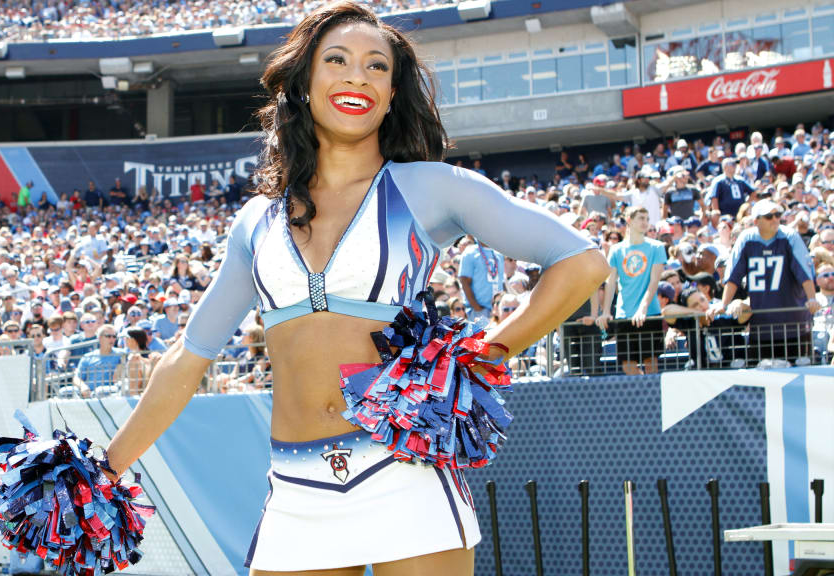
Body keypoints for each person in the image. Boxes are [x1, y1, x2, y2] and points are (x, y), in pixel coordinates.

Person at [105, 4, 608, 574]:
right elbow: (186, 356)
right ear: (304, 82)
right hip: (295, 487)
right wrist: (105, 468)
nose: (356, 77)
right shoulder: (256, 222)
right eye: (337, 60)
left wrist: (478, 359)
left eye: (376, 67)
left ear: (392, 93)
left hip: (406, 473)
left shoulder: (430, 187)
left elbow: (581, 263)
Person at [711, 199, 819, 365]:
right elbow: (733, 276)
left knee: (799, 375)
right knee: (764, 379)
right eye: (769, 216)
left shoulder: (789, 236)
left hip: (794, 324)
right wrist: (724, 304)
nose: (775, 219)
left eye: (777, 215)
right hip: (761, 326)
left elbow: (804, 272)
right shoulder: (747, 239)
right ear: (756, 221)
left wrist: (811, 298)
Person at [597, 206, 667, 375]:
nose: (645, 222)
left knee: (651, 362)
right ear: (629, 220)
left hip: (650, 313)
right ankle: (643, 394)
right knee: (627, 363)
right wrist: (606, 311)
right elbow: (611, 281)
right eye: (641, 218)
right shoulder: (616, 250)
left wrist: (643, 309)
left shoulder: (656, 247)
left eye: (647, 218)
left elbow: (654, 282)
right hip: (624, 313)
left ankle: (652, 397)